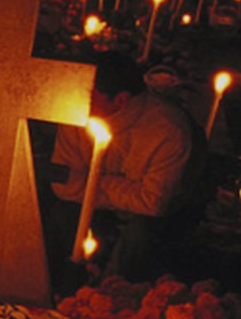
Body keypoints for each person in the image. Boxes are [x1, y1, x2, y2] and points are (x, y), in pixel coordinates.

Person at [48, 51, 196, 283]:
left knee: (142, 234)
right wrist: (129, 188)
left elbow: (152, 202)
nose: (77, 100)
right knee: (61, 216)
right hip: (93, 208)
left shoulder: (168, 131)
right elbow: (65, 186)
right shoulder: (75, 113)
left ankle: (115, 289)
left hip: (145, 222)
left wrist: (92, 181)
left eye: (88, 95)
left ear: (121, 101)